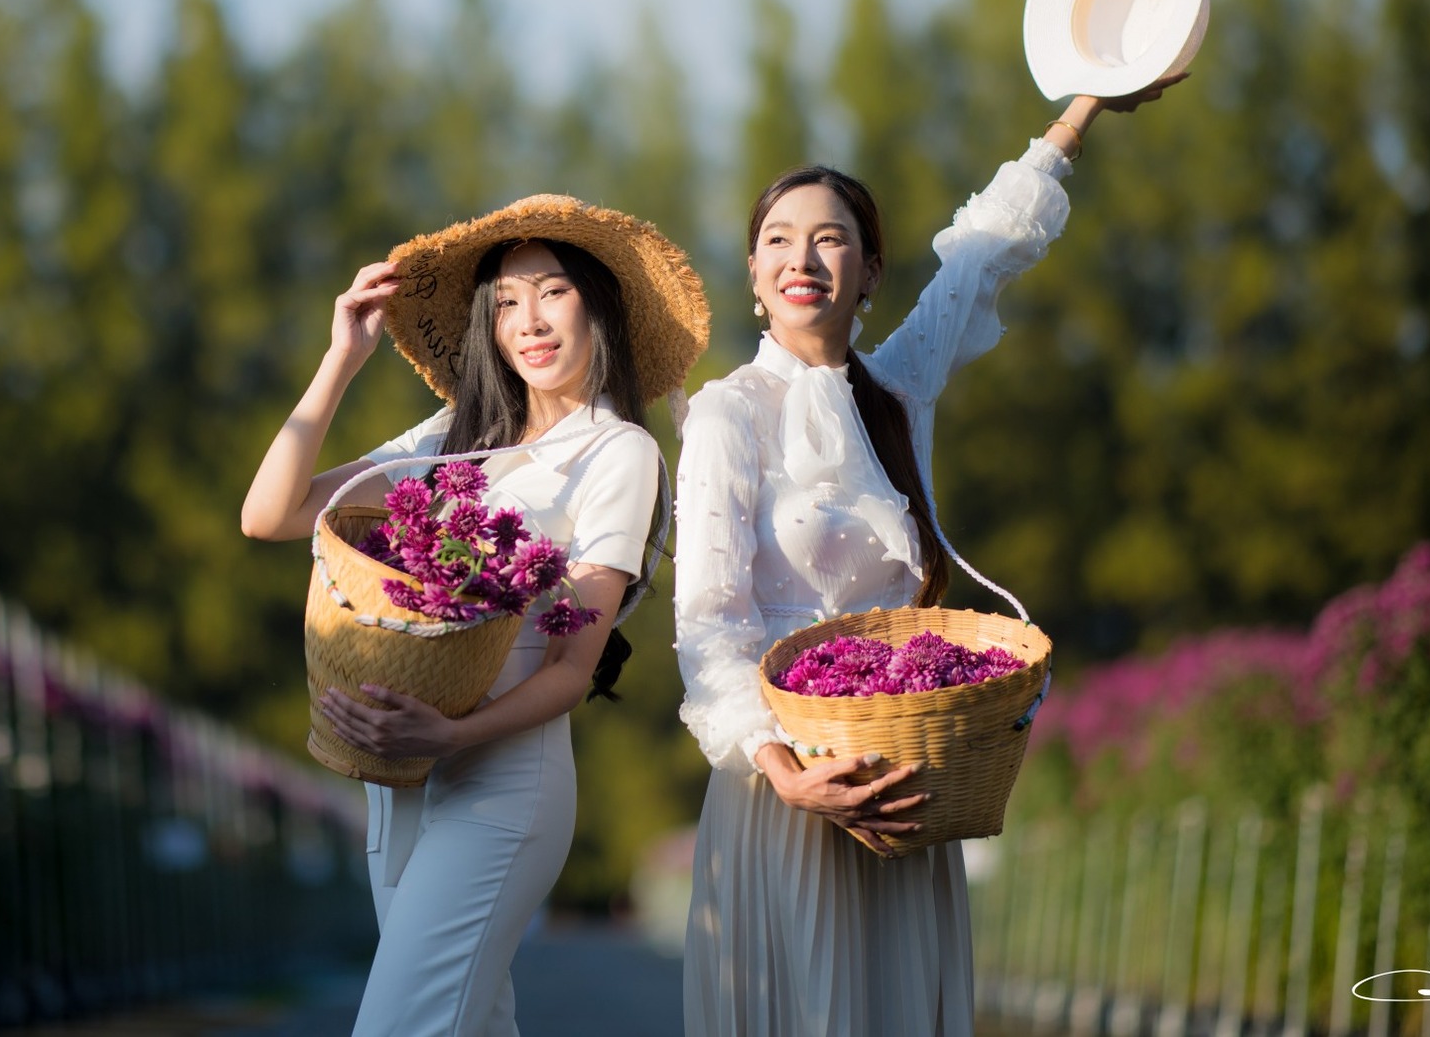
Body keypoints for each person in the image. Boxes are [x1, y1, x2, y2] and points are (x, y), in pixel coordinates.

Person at [674, 82, 1179, 1036]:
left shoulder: (896, 391)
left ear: (869, 272)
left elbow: (983, 255)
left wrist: (1084, 108)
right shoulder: (729, 412)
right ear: (751, 271)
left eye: (831, 237)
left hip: (912, 789)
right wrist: (786, 771)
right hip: (782, 790)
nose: (803, 256)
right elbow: (707, 620)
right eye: (779, 237)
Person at [243, 194, 708, 1037]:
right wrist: (340, 359)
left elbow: (571, 666)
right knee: (470, 1023)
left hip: (500, 780)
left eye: (553, 292)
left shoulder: (619, 452)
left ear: (598, 304)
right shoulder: (449, 442)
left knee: (400, 1027)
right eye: (505, 301)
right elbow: (270, 513)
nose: (528, 319)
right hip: (401, 780)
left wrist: (450, 736)